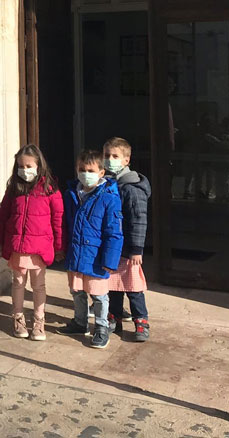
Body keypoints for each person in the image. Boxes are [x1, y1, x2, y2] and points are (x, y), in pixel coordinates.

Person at [0, 145, 64, 341]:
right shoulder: (14, 189)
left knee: (38, 285)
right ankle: (18, 318)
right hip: (18, 247)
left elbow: (58, 220)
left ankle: (39, 321)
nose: (25, 170)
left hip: (39, 248)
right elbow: (3, 216)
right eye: (21, 166)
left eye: (29, 166)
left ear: (39, 166)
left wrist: (59, 247)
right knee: (18, 283)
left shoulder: (49, 190)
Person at [61, 148, 124, 349]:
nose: (85, 174)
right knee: (77, 291)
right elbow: (64, 224)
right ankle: (80, 322)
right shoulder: (72, 194)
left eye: (90, 170)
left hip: (96, 257)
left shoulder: (109, 198)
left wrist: (110, 260)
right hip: (76, 254)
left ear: (101, 173)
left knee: (98, 295)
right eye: (82, 169)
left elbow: (114, 232)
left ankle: (101, 327)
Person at [103, 137, 151, 342]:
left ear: (126, 160)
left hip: (128, 248)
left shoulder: (131, 188)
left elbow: (139, 219)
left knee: (133, 287)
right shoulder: (106, 183)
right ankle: (114, 316)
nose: (109, 159)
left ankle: (141, 320)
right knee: (113, 285)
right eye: (107, 155)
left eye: (115, 156)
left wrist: (136, 249)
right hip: (112, 247)